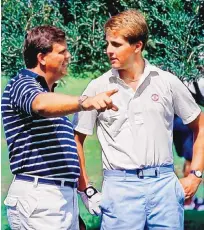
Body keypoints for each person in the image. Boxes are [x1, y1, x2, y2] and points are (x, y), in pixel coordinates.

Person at [73, 9, 204, 230]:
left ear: (137, 46)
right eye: (108, 44)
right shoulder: (98, 87)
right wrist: (85, 188)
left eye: (116, 44)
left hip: (164, 186)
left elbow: (199, 125)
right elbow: (76, 139)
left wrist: (196, 175)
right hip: (120, 188)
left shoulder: (167, 82)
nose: (108, 51)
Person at [1, 25, 119, 230]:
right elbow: (40, 104)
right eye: (62, 51)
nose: (68, 56)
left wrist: (84, 193)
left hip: (59, 198)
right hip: (40, 197)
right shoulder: (22, 84)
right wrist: (86, 102)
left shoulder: (53, 99)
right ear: (42, 58)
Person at [173, 79, 204, 211]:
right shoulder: (195, 77)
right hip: (186, 119)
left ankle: (187, 200)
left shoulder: (177, 74)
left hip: (175, 119)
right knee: (191, 159)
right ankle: (187, 201)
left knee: (187, 159)